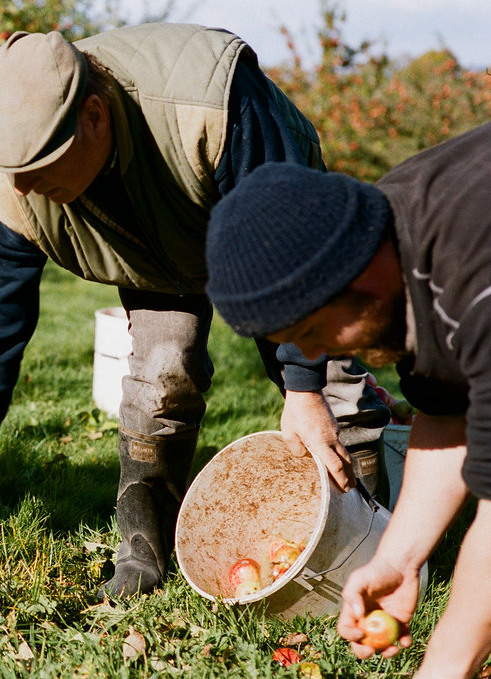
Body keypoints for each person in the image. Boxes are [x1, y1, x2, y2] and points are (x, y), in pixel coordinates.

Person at [0, 23, 389, 598]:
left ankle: (377, 546)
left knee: (331, 386)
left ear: (94, 117)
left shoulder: (211, 104)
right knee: (161, 375)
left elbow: (294, 247)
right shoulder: (11, 181)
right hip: (152, 249)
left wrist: (302, 390)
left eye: (37, 167)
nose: (20, 189)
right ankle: (143, 550)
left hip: (268, 221)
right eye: (11, 171)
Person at [204, 121, 491, 677]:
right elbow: (447, 410)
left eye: (312, 331)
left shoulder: (473, 284)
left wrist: (443, 667)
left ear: (356, 271)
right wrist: (398, 559)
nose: (313, 354)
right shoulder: (388, 236)